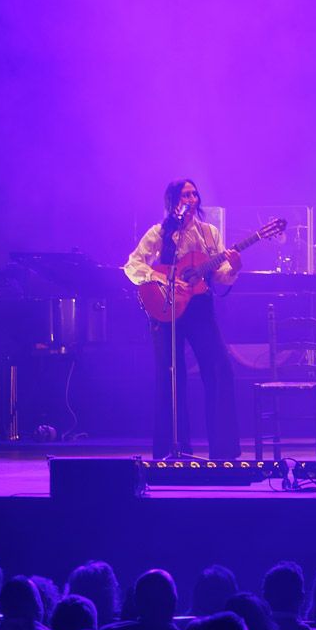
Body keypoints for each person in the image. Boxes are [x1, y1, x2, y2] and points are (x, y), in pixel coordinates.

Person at [122, 179, 243, 460]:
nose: (191, 198)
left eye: (194, 193)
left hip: (200, 307)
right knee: (170, 376)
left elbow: (220, 274)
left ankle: (224, 451)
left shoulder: (209, 233)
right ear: (173, 202)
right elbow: (132, 265)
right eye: (184, 194)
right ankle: (171, 450)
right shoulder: (159, 233)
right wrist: (163, 278)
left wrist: (233, 267)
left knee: (219, 368)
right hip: (165, 307)